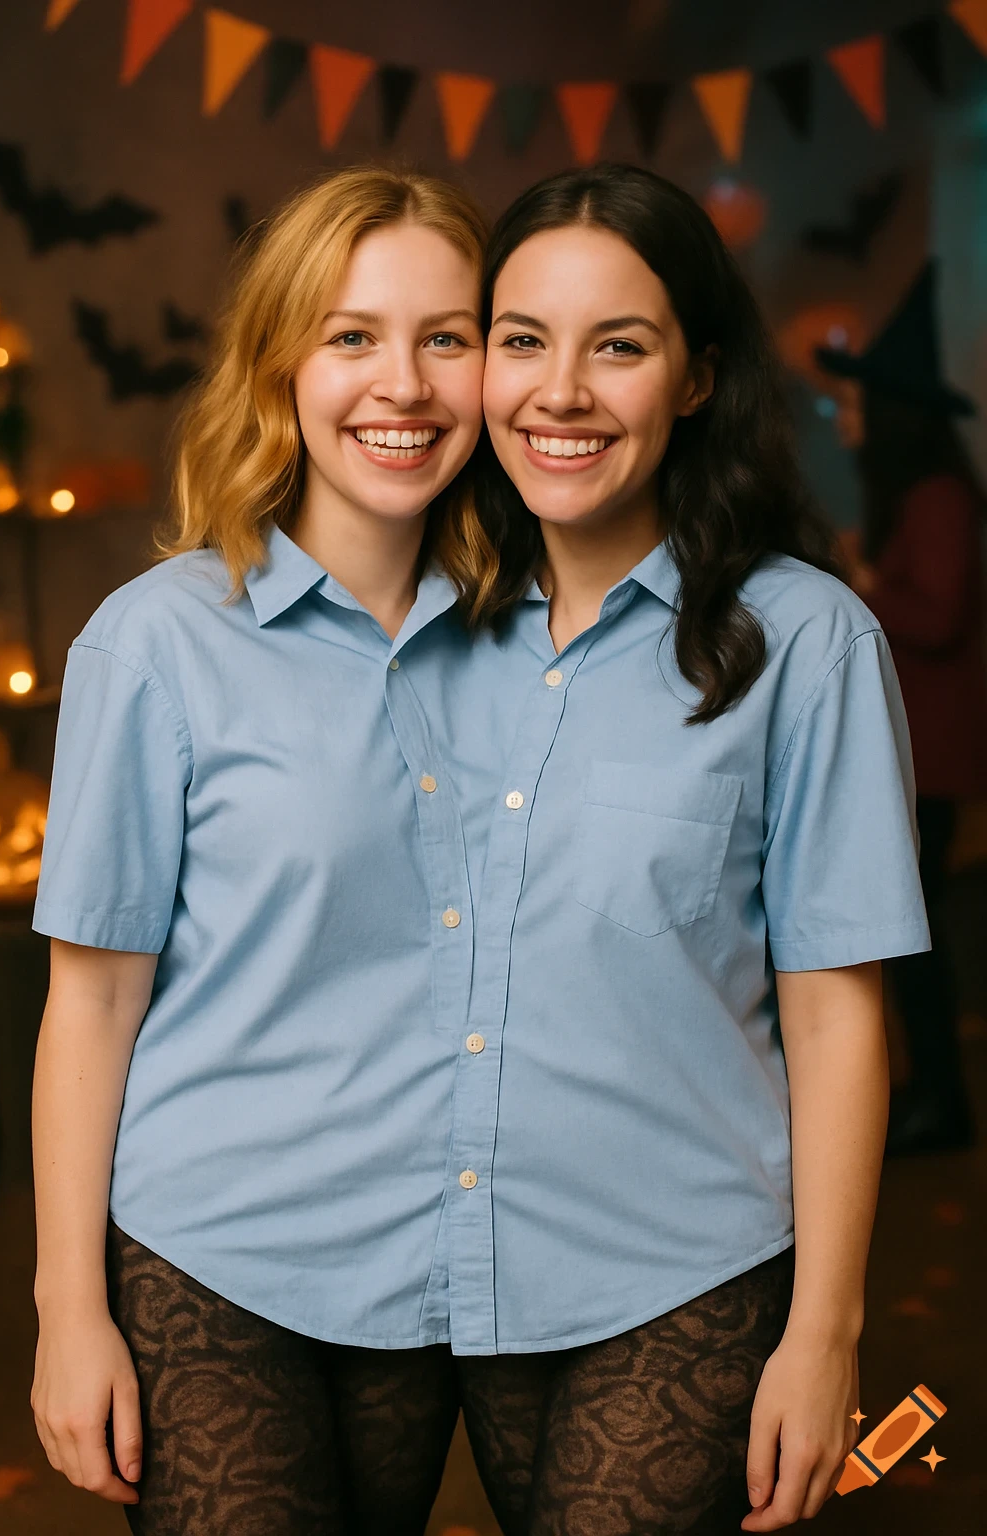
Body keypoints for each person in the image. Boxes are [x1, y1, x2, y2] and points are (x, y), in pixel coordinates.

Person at [416, 163, 932, 1535]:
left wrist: (825, 1334)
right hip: (454, 1273)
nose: (560, 393)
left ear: (696, 378)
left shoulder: (808, 641)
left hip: (690, 1276)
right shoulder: (417, 633)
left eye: (620, 346)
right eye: (522, 340)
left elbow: (838, 1019)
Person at [28, 166, 489, 1535]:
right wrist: (67, 1307)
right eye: (351, 336)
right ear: (280, 363)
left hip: (427, 1268)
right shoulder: (154, 643)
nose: (400, 383)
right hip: (205, 1260)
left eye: (446, 337)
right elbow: (92, 999)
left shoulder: (538, 645)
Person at [817, 261, 986, 1156]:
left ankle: (939, 1105)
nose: (847, 423)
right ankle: (926, 1095)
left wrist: (867, 582)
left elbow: (940, 614)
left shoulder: (939, 498)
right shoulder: (921, 497)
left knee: (913, 939)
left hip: (936, 752)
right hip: (917, 747)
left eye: (856, 407)